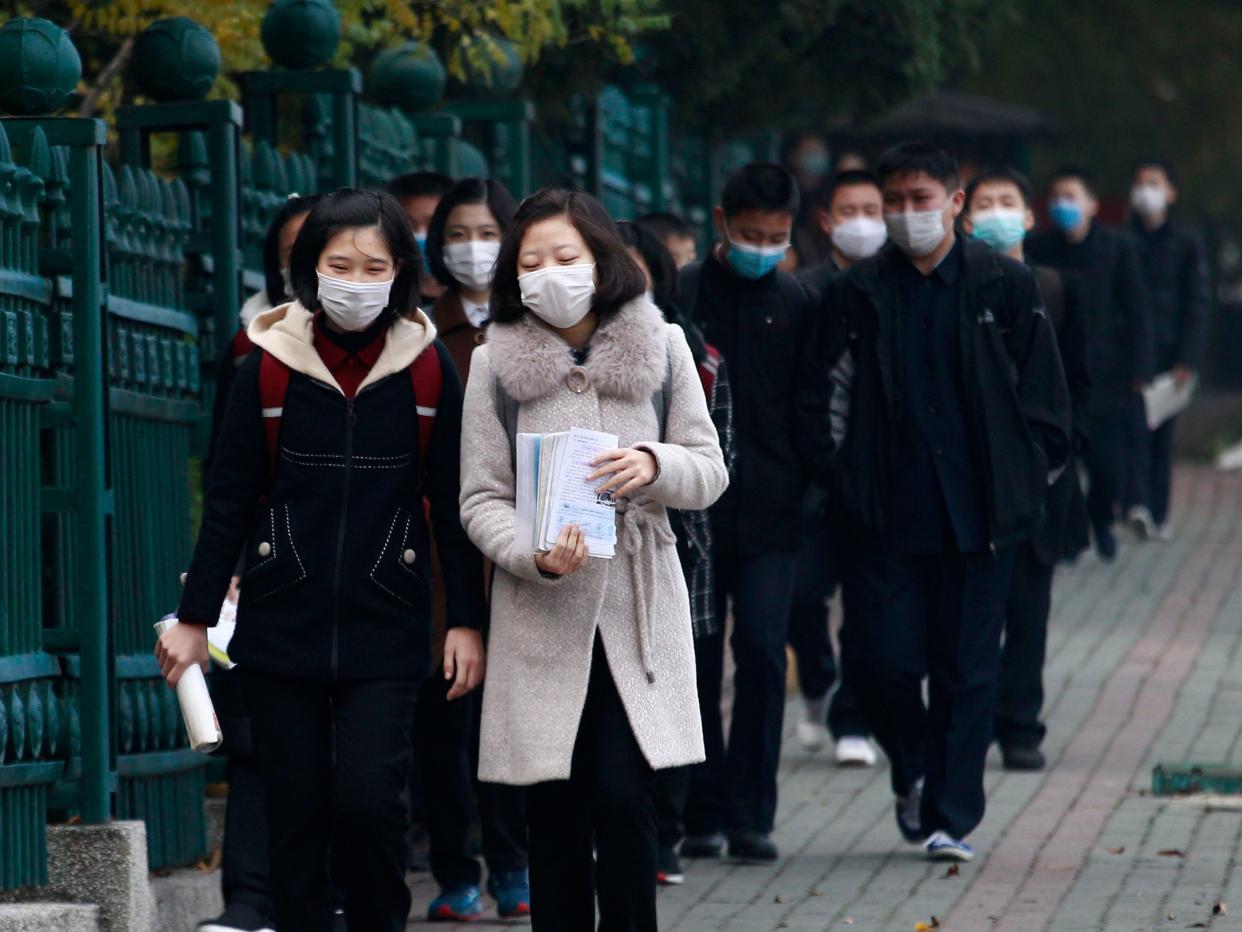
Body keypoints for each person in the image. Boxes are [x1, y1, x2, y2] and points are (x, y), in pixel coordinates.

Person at [158, 188, 488, 932]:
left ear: (403, 270)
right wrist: (195, 617)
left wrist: (466, 622)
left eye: (375, 265)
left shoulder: (429, 369)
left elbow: (455, 507)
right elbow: (230, 500)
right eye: (340, 264)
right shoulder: (266, 367)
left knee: (371, 804)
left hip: (389, 627)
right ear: (308, 269)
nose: (357, 280)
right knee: (295, 816)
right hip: (282, 628)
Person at [458, 187, 728, 931]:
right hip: (541, 607)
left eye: (566, 256)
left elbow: (709, 470)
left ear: (602, 260)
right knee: (554, 808)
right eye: (531, 260)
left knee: (621, 796)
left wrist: (653, 462)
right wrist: (530, 554)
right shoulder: (493, 365)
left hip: (635, 603)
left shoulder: (664, 345)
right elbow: (480, 498)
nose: (550, 273)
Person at [821, 142, 1071, 862]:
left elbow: (1044, 397)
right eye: (893, 200)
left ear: (956, 203)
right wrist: (839, 479)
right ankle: (914, 765)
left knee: (968, 671)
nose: (905, 215)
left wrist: (1030, 479)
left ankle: (950, 817)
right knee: (884, 664)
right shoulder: (859, 291)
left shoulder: (1004, 285)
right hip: (884, 516)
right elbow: (824, 394)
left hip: (982, 518)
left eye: (920, 199)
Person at [680, 162, 833, 864]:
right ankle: (700, 808)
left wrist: (812, 489)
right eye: (748, 234)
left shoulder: (799, 302)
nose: (761, 247)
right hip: (692, 508)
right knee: (699, 659)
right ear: (720, 224)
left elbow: (810, 408)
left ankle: (752, 813)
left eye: (774, 237)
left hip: (774, 509)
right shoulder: (679, 298)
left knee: (765, 655)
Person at [198, 194, 319, 932]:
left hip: (364, 576)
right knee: (254, 736)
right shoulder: (250, 353)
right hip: (267, 569)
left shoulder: (408, 355)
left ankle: (323, 889)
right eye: (294, 253)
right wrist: (221, 576)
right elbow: (228, 479)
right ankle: (248, 898)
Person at [419, 176, 530, 922]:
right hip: (439, 550)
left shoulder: (537, 330)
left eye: (487, 232)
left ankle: (516, 865)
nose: (472, 248)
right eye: (456, 234)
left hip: (525, 551)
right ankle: (455, 870)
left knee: (511, 720)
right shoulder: (423, 331)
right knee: (445, 719)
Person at [618, 220, 737, 887]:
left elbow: (716, 461)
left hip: (677, 551)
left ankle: (669, 829)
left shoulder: (691, 353)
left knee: (675, 689)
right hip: (590, 558)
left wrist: (653, 470)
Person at [962, 167, 1091, 772]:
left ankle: (1020, 726)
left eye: (1006, 202)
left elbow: (1082, 385)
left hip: (1042, 479)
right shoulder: (957, 289)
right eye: (984, 203)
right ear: (965, 216)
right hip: (968, 479)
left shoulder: (1057, 288)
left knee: (1029, 608)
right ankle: (970, 717)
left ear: (1028, 214)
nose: (995, 212)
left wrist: (1055, 457)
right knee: (970, 611)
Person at [787, 170, 885, 767]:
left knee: (870, 606)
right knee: (803, 597)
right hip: (812, 479)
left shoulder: (899, 288)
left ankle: (854, 719)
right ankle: (819, 683)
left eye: (873, 208)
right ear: (826, 220)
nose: (863, 221)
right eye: (850, 209)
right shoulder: (804, 292)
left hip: (878, 480)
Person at [1028, 167, 1153, 560]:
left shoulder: (1117, 249)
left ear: (1092, 204)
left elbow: (1137, 312)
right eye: (1056, 197)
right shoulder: (1042, 249)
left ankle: (1101, 518)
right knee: (1061, 464)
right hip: (1056, 373)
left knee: (1107, 468)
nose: (1063, 204)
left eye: (1071, 196)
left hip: (1107, 376)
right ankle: (1070, 533)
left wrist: (1141, 369)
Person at [1123, 159, 1210, 540]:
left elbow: (1197, 303)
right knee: (1131, 431)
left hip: (1170, 353)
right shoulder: (1122, 240)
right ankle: (1135, 504)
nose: (1146, 190)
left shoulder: (1186, 243)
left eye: (1154, 183)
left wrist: (1187, 359)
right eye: (1140, 182)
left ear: (1170, 192)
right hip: (1129, 353)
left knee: (1161, 433)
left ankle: (1158, 513)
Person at [386, 171, 455, 307]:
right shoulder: (381, 301)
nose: (421, 235)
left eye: (433, 224)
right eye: (408, 225)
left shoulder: (479, 303)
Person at [781, 130, 834, 270]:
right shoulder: (783, 196)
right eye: (811, 152)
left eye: (821, 152)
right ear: (793, 157)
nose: (818, 158)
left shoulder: (828, 194)